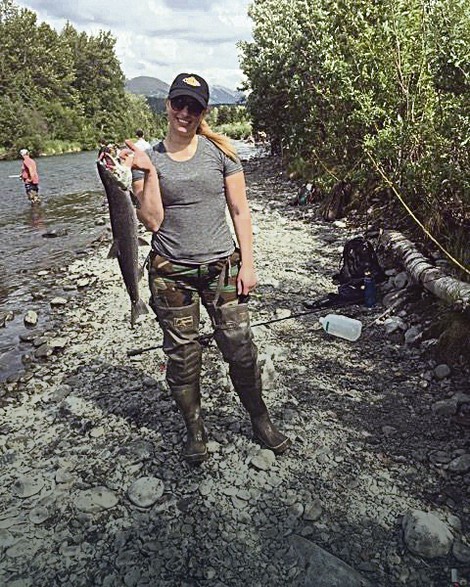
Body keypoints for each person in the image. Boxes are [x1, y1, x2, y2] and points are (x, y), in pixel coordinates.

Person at [122, 72, 291, 464]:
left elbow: (240, 210)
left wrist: (248, 264)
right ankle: (195, 428)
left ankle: (260, 420)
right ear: (167, 105)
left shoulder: (222, 152)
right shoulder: (148, 159)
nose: (184, 112)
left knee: (241, 349)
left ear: (204, 112)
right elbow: (151, 221)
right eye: (178, 103)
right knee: (182, 355)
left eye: (193, 107)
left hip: (222, 269)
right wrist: (145, 171)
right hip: (171, 272)